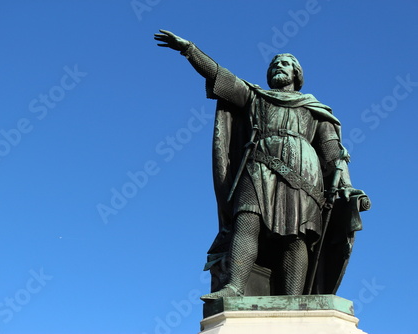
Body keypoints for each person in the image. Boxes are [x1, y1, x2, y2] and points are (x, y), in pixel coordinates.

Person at [154, 30, 367, 299]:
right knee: (246, 221)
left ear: (297, 75)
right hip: (258, 166)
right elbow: (221, 76)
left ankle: (293, 299)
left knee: (296, 234)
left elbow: (332, 152)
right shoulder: (255, 97)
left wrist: (347, 185)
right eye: (274, 63)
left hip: (303, 174)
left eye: (286, 63)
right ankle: (233, 287)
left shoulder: (314, 108)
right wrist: (190, 50)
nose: (279, 66)